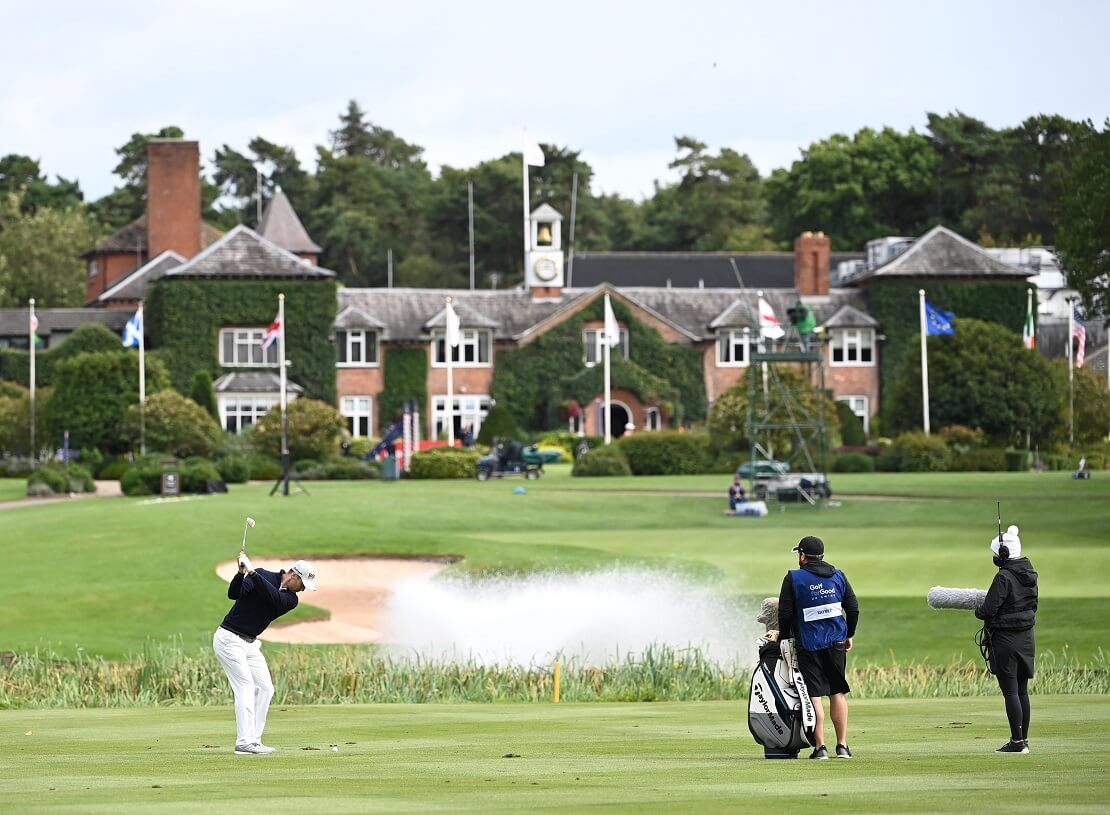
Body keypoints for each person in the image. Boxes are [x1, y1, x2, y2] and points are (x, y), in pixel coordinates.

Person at [214, 555, 317, 755]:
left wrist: (252, 573)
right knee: (245, 687)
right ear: (293, 576)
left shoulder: (291, 600)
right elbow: (234, 594)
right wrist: (241, 573)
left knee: (266, 688)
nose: (304, 589)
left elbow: (274, 598)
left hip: (250, 644)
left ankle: (254, 739)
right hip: (229, 639)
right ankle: (244, 742)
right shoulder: (262, 574)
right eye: (303, 584)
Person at [778, 535, 859, 759]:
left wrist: (784, 638)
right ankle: (842, 746)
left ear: (803, 556)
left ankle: (820, 747)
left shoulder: (793, 578)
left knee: (813, 695)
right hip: (836, 642)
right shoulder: (839, 576)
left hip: (808, 643)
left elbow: (784, 613)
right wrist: (849, 634)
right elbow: (852, 609)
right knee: (837, 692)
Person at [975, 525, 1038, 754]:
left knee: (1010, 692)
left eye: (995, 553)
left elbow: (988, 609)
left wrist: (978, 610)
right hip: (1026, 638)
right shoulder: (1030, 573)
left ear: (1003, 554)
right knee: (1022, 691)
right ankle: (1024, 740)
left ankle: (1017, 742)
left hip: (1005, 640)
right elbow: (1033, 605)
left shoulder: (1003, 576)